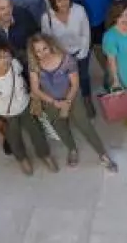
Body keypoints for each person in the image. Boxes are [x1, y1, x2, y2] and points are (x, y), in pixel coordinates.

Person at [27, 34, 117, 171]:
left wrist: (66, 103)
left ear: (51, 46)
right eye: (38, 51)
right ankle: (72, 149)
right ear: (34, 53)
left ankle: (103, 154)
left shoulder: (67, 60)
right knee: (61, 128)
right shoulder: (34, 65)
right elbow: (35, 89)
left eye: (45, 48)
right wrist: (55, 103)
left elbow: (75, 84)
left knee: (85, 126)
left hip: (72, 97)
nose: (42, 53)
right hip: (50, 102)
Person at [0, 44, 57, 175]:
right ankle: (22, 159)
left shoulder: (15, 64)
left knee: (37, 133)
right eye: (1, 57)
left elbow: (23, 78)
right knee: (14, 139)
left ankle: (44, 154)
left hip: (25, 107)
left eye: (7, 55)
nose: (6, 60)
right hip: (7, 115)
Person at [68, 0, 122, 83]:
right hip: (91, 25)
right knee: (100, 52)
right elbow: (74, 10)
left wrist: (120, 11)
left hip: (109, 21)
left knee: (114, 49)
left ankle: (117, 73)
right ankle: (110, 75)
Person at [41, 0, 95, 118]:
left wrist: (82, 54)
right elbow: (48, 41)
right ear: (53, 2)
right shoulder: (47, 18)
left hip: (80, 51)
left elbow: (86, 34)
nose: (63, 3)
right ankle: (71, 104)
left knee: (83, 77)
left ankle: (87, 99)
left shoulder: (79, 11)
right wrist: (60, 58)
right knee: (67, 81)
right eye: (59, 0)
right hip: (62, 57)